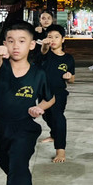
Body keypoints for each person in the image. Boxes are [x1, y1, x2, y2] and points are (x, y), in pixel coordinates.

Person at [0, 21, 55, 185]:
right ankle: (25, 184)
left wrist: (41, 108)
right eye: (10, 41)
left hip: (25, 129)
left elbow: (50, 98)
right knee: (6, 163)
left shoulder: (39, 74)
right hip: (1, 127)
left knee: (17, 171)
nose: (15, 46)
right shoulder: (1, 67)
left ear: (31, 45)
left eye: (21, 41)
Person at [38, 24, 75, 163]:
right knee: (47, 117)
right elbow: (43, 51)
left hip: (59, 93)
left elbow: (73, 79)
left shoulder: (68, 59)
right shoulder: (45, 54)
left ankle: (60, 150)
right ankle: (54, 135)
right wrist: (45, 45)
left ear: (63, 40)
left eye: (56, 37)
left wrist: (69, 76)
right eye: (49, 37)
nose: (53, 39)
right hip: (42, 92)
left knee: (58, 118)